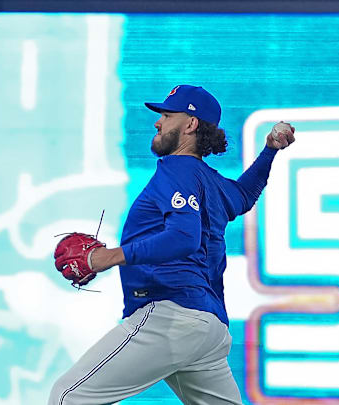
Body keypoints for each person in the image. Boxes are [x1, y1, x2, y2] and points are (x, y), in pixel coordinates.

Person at [48, 85, 295, 404]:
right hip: (208, 328)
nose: (157, 122)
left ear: (191, 124)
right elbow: (244, 196)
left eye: (167, 114)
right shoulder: (209, 180)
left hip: (171, 313)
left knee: (67, 396)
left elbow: (183, 236)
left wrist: (108, 257)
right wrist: (270, 149)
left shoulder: (177, 169)